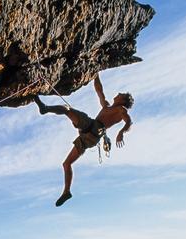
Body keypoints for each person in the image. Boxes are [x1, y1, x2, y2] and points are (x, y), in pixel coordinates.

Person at [34, 73, 134, 207]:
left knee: (67, 110)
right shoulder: (106, 106)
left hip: (93, 127)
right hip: (89, 137)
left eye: (121, 94)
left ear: (123, 100)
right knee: (66, 164)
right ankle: (66, 191)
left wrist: (121, 132)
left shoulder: (121, 110)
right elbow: (99, 90)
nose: (118, 93)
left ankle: (45, 108)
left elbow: (129, 122)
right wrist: (95, 74)